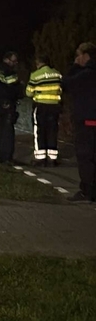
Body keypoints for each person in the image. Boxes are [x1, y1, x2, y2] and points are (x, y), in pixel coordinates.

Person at [62, 42, 96, 203]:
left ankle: (87, 192)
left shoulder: (86, 75)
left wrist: (75, 66)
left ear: (85, 55)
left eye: (78, 55)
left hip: (87, 121)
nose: (77, 58)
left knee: (85, 157)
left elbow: (65, 84)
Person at [25, 55, 63, 166]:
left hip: (41, 106)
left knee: (40, 131)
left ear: (39, 63)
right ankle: (52, 158)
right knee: (52, 131)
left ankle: (40, 158)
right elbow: (61, 89)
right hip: (55, 107)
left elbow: (28, 92)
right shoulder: (57, 74)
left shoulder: (35, 75)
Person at [0, 51, 23, 164]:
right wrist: (20, 90)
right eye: (14, 61)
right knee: (8, 131)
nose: (15, 63)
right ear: (7, 60)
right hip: (7, 103)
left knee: (0, 128)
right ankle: (7, 157)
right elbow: (15, 88)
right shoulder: (8, 71)